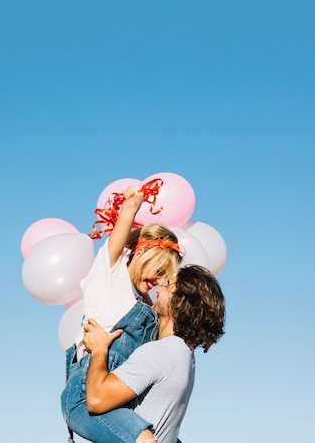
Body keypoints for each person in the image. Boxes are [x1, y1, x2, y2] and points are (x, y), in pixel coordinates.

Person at [61, 188, 183, 443]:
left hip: (117, 400)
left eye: (164, 278)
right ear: (141, 253)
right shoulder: (109, 275)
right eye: (158, 271)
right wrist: (136, 198)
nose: (159, 282)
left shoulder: (147, 305)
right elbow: (128, 211)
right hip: (85, 397)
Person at [82, 264, 226, 443]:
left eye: (167, 285)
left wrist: (99, 349)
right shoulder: (183, 354)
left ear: (179, 301)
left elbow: (96, 399)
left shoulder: (161, 352)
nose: (158, 289)